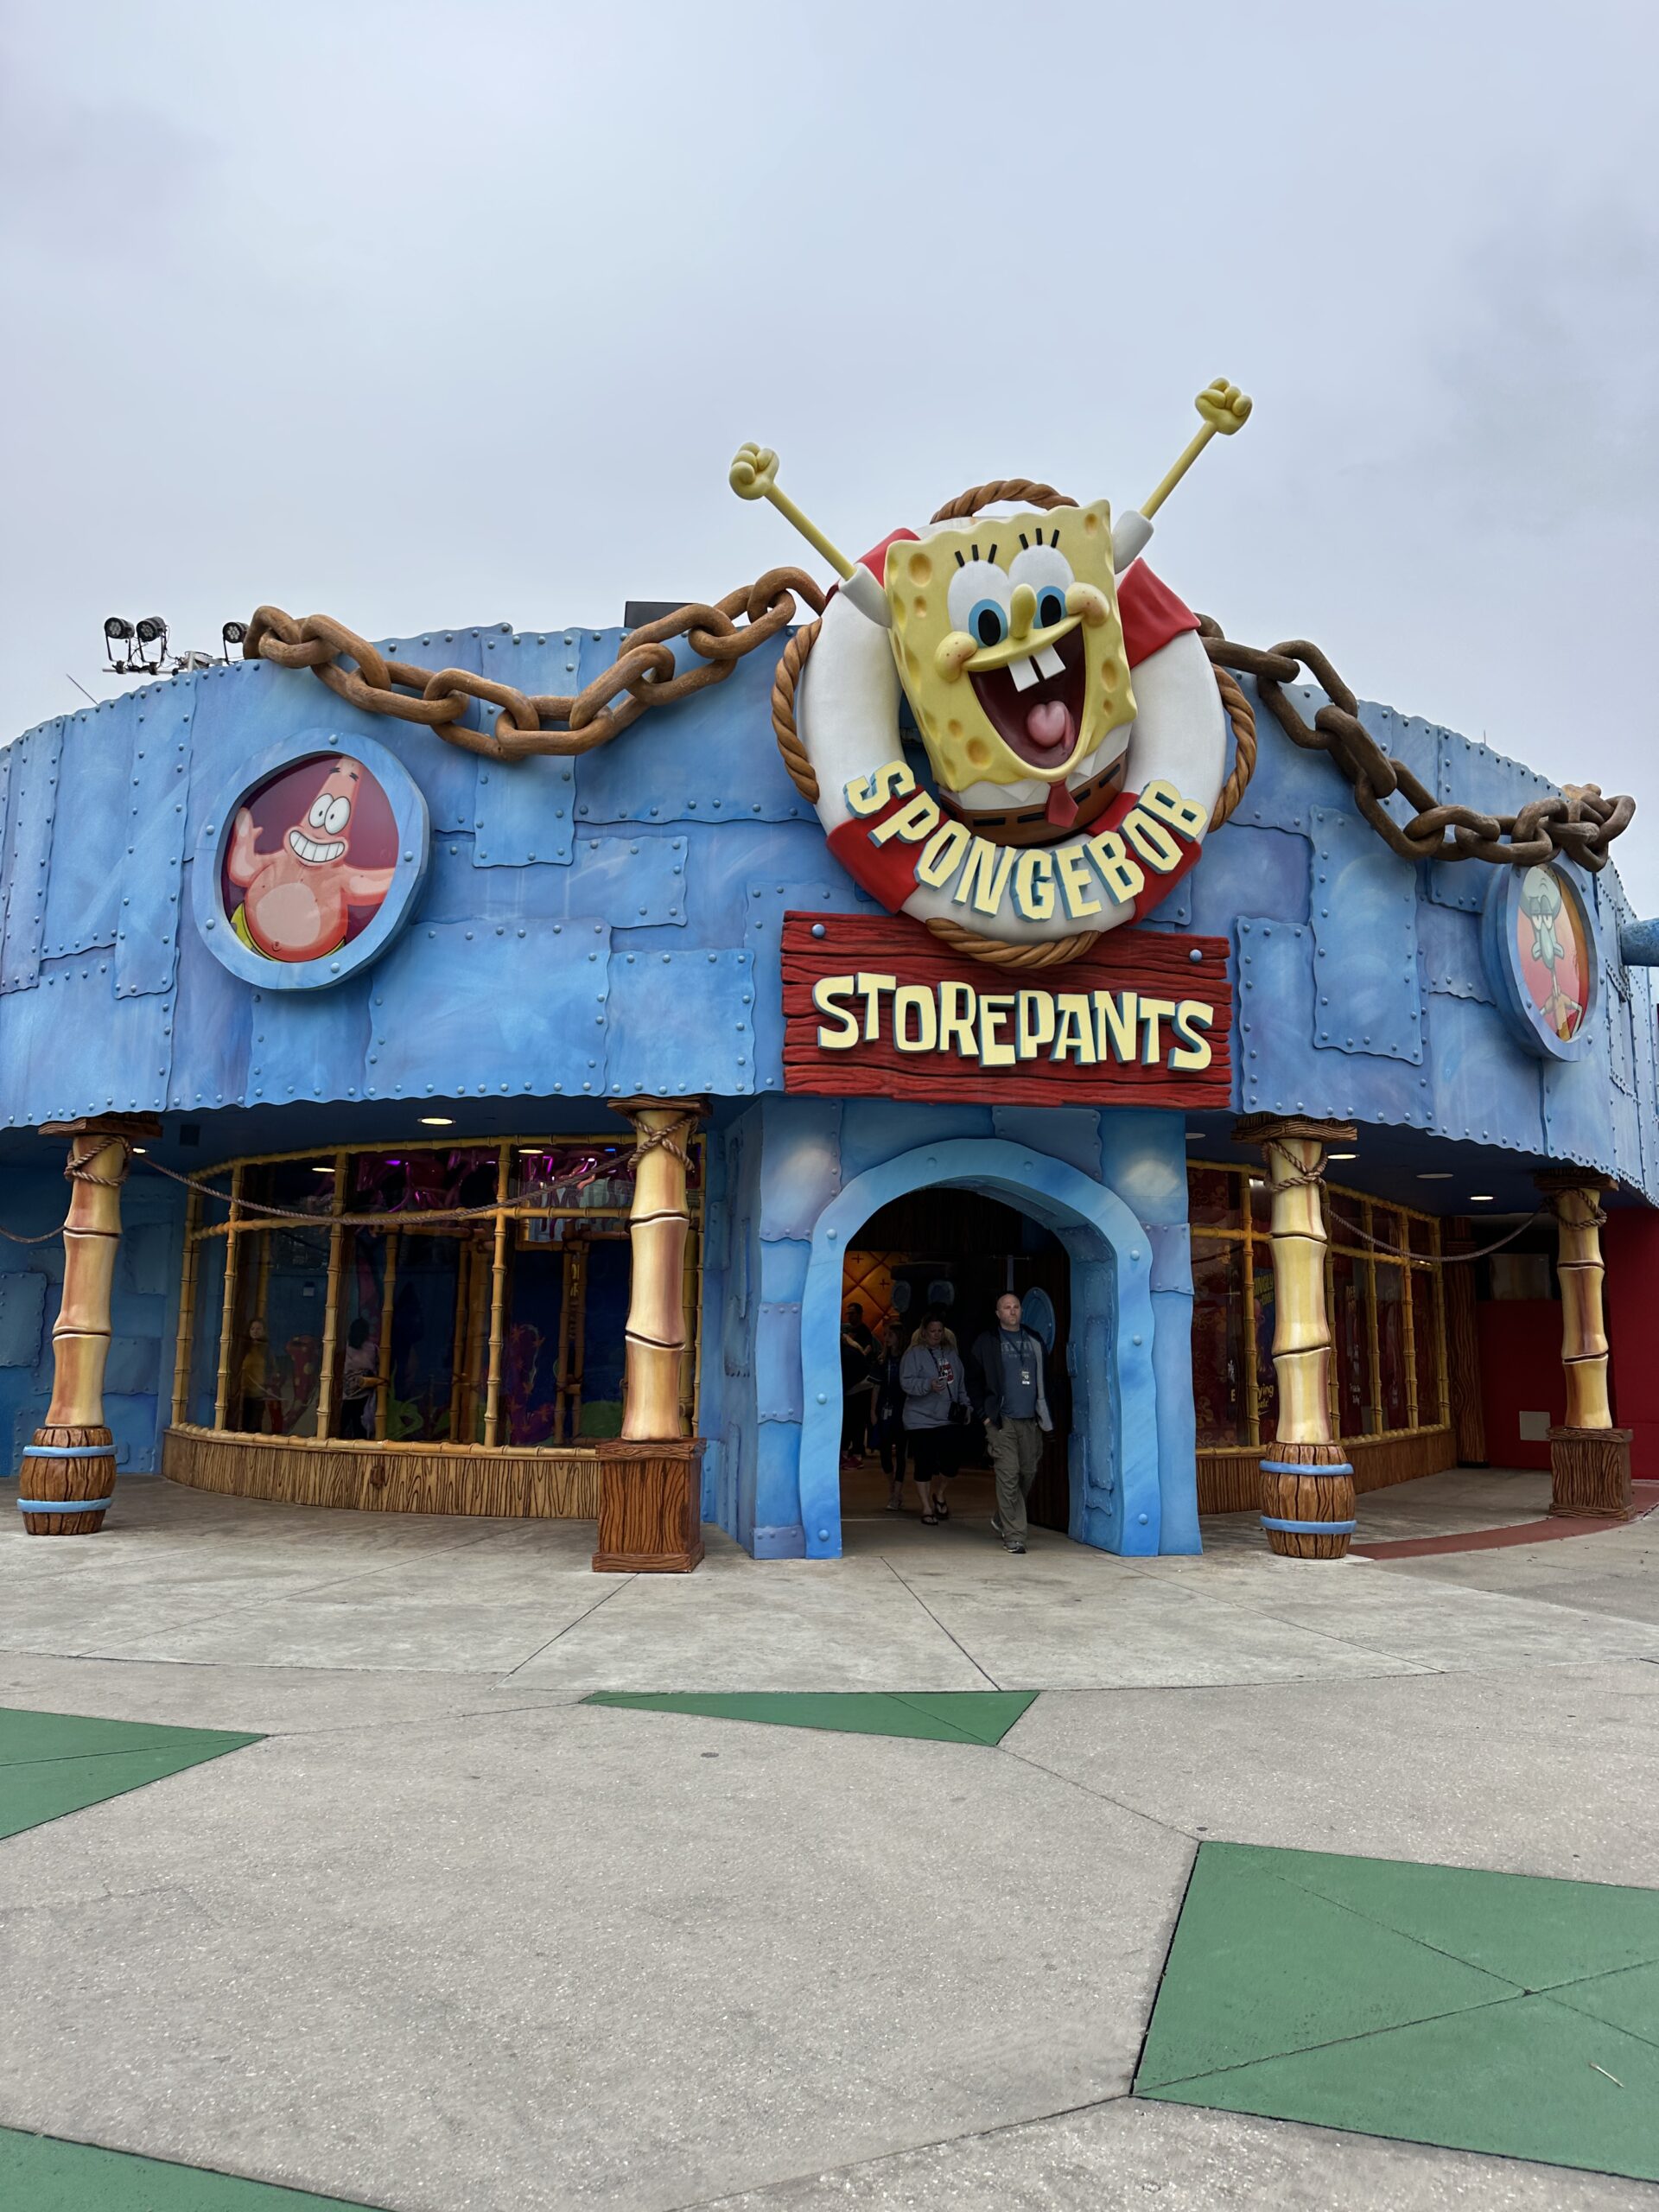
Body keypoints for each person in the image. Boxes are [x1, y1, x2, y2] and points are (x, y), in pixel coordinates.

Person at [970, 1292, 1053, 1554]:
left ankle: (1002, 1517)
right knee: (1008, 1475)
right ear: (998, 1313)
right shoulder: (987, 1341)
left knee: (1027, 1472)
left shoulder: (1034, 1339)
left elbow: (1046, 1378)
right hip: (1001, 1421)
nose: (1012, 1311)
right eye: (1006, 1307)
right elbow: (973, 1381)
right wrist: (985, 1416)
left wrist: (1046, 1415)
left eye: (1016, 1306)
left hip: (1030, 1420)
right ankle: (1015, 1536)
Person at [899, 1313, 968, 1524]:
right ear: (924, 1332)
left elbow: (960, 1384)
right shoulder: (913, 1354)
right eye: (932, 1331)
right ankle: (926, 1507)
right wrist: (927, 1385)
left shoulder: (951, 1354)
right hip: (920, 1419)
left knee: (951, 1462)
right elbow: (906, 1382)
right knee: (924, 1463)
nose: (936, 1335)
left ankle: (940, 1493)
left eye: (940, 1331)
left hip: (948, 1417)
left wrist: (966, 1407)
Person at [872, 1319, 908, 1510]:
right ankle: (892, 1486)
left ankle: (897, 1493)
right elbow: (876, 1387)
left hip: (902, 1410)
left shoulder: (906, 1360)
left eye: (890, 1335)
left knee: (901, 1453)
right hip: (884, 1410)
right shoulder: (882, 1360)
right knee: (884, 1453)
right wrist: (872, 1410)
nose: (886, 1338)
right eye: (885, 1334)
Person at [839, 1304, 878, 1468]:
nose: (850, 1316)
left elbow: (866, 1352)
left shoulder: (856, 1340)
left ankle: (855, 1455)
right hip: (859, 1382)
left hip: (860, 1384)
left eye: (852, 1313)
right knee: (852, 1420)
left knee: (855, 1420)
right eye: (848, 1313)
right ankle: (850, 1453)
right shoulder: (848, 1345)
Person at [337, 1315, 382, 1438]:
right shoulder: (373, 1348)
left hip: (350, 1393)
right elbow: (378, 1368)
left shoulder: (345, 1348)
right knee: (359, 1430)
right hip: (361, 1394)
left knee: (341, 1428)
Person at [236, 1318, 276, 1434]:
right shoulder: (244, 1348)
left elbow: (273, 1370)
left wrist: (268, 1388)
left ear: (264, 1331)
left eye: (258, 1329)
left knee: (255, 1427)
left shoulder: (267, 1350)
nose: (255, 1331)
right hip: (243, 1394)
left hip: (259, 1394)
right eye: (252, 1329)